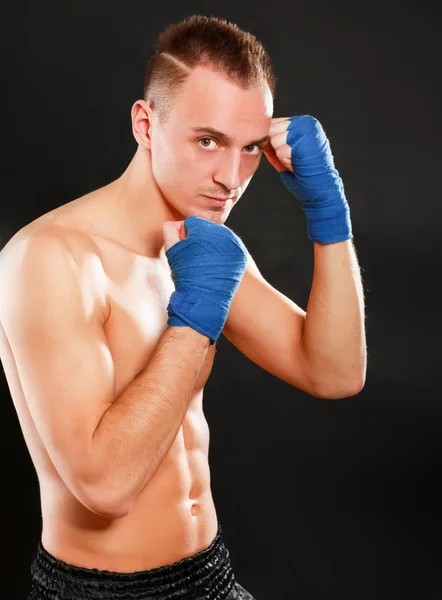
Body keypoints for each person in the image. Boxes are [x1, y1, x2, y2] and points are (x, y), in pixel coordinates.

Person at [0, 14, 366, 600]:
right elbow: (106, 485)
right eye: (207, 141)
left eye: (249, 149)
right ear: (146, 124)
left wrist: (330, 216)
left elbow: (336, 372)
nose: (230, 178)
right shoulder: (51, 259)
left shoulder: (206, 249)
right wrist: (195, 314)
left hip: (210, 576)